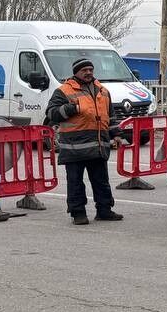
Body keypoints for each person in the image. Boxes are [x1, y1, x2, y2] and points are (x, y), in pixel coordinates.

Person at [45, 58, 125, 225]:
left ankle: (104, 210)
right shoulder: (63, 91)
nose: (88, 72)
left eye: (90, 69)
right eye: (84, 70)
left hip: (98, 146)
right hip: (74, 148)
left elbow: (110, 116)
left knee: (101, 181)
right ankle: (78, 213)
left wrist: (116, 134)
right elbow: (51, 114)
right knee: (75, 183)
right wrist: (72, 108)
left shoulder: (102, 91)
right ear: (76, 72)